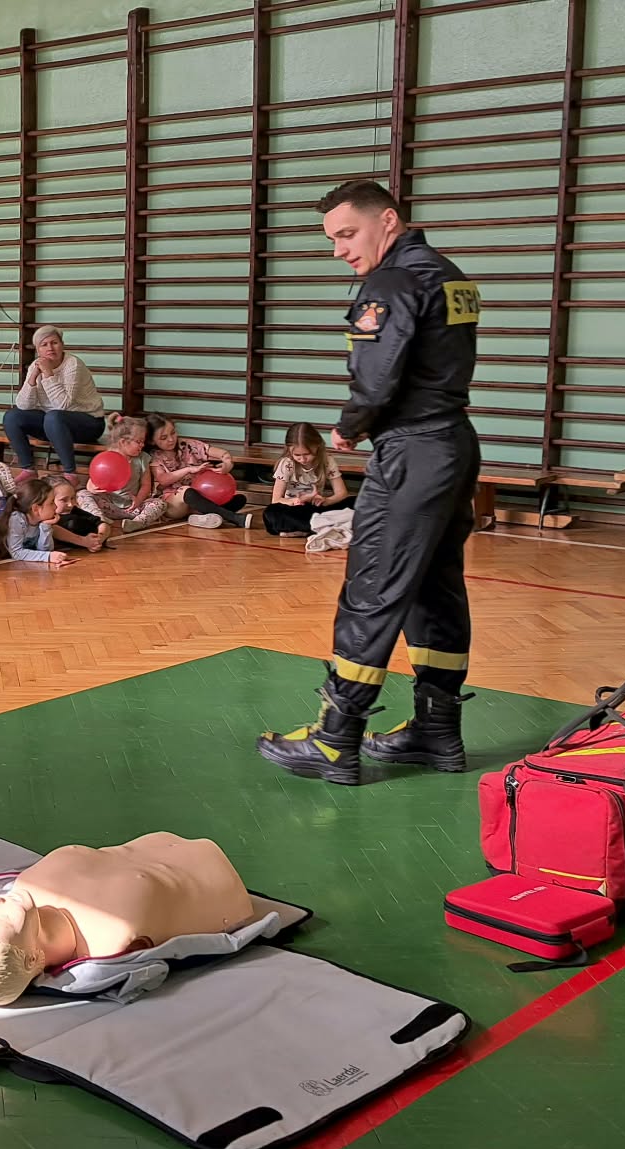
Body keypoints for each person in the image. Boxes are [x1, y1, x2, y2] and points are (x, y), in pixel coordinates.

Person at [258, 180, 482, 785]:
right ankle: (436, 732)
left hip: (412, 451)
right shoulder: (449, 274)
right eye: (333, 239)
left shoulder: (391, 281)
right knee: (434, 588)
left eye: (347, 234)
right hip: (454, 443)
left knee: (373, 586)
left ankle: (335, 739)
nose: (339, 250)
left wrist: (351, 425)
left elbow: (378, 376)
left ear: (387, 220)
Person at [0, 832, 256, 1006]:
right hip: (220, 884)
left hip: (166, 843)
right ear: (30, 960)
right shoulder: (112, 938)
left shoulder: (26, 885)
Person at [2, 325, 106, 482]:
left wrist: (48, 374)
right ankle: (28, 469)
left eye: (54, 343)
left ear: (62, 345)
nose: (50, 348)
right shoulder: (36, 365)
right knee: (12, 416)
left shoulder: (73, 364)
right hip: (53, 424)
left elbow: (63, 405)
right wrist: (33, 378)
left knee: (53, 416)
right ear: (38, 350)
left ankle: (70, 474)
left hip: (89, 423)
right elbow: (23, 405)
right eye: (44, 344)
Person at [147, 413, 249, 529]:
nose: (171, 439)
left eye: (173, 433)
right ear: (152, 441)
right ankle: (235, 518)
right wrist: (189, 469)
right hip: (174, 504)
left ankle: (200, 516)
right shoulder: (154, 457)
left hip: (199, 498)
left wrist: (227, 464)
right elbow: (163, 479)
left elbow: (223, 454)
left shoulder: (189, 445)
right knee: (186, 491)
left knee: (239, 499)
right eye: (163, 438)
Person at [0, 477, 75, 568]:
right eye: (51, 503)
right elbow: (17, 552)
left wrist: (46, 527)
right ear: (36, 509)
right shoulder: (17, 520)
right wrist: (48, 557)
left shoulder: (40, 521)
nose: (55, 507)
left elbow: (44, 551)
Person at [74, 418, 168, 532]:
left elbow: (146, 485)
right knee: (82, 494)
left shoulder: (142, 458)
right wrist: (91, 488)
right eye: (139, 442)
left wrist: (138, 500)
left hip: (133, 508)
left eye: (143, 441)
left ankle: (137, 523)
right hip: (109, 506)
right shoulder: (108, 456)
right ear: (123, 442)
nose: (142, 445)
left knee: (160, 504)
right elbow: (94, 479)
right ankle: (99, 518)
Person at [262, 422, 354, 537]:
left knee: (354, 501)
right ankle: (320, 526)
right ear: (289, 450)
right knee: (271, 512)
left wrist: (326, 501)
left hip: (316, 508)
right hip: (294, 509)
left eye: (307, 454)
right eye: (297, 455)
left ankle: (306, 528)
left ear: (317, 445)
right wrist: (296, 501)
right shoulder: (287, 463)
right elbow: (276, 499)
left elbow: (342, 493)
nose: (303, 459)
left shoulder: (327, 461)